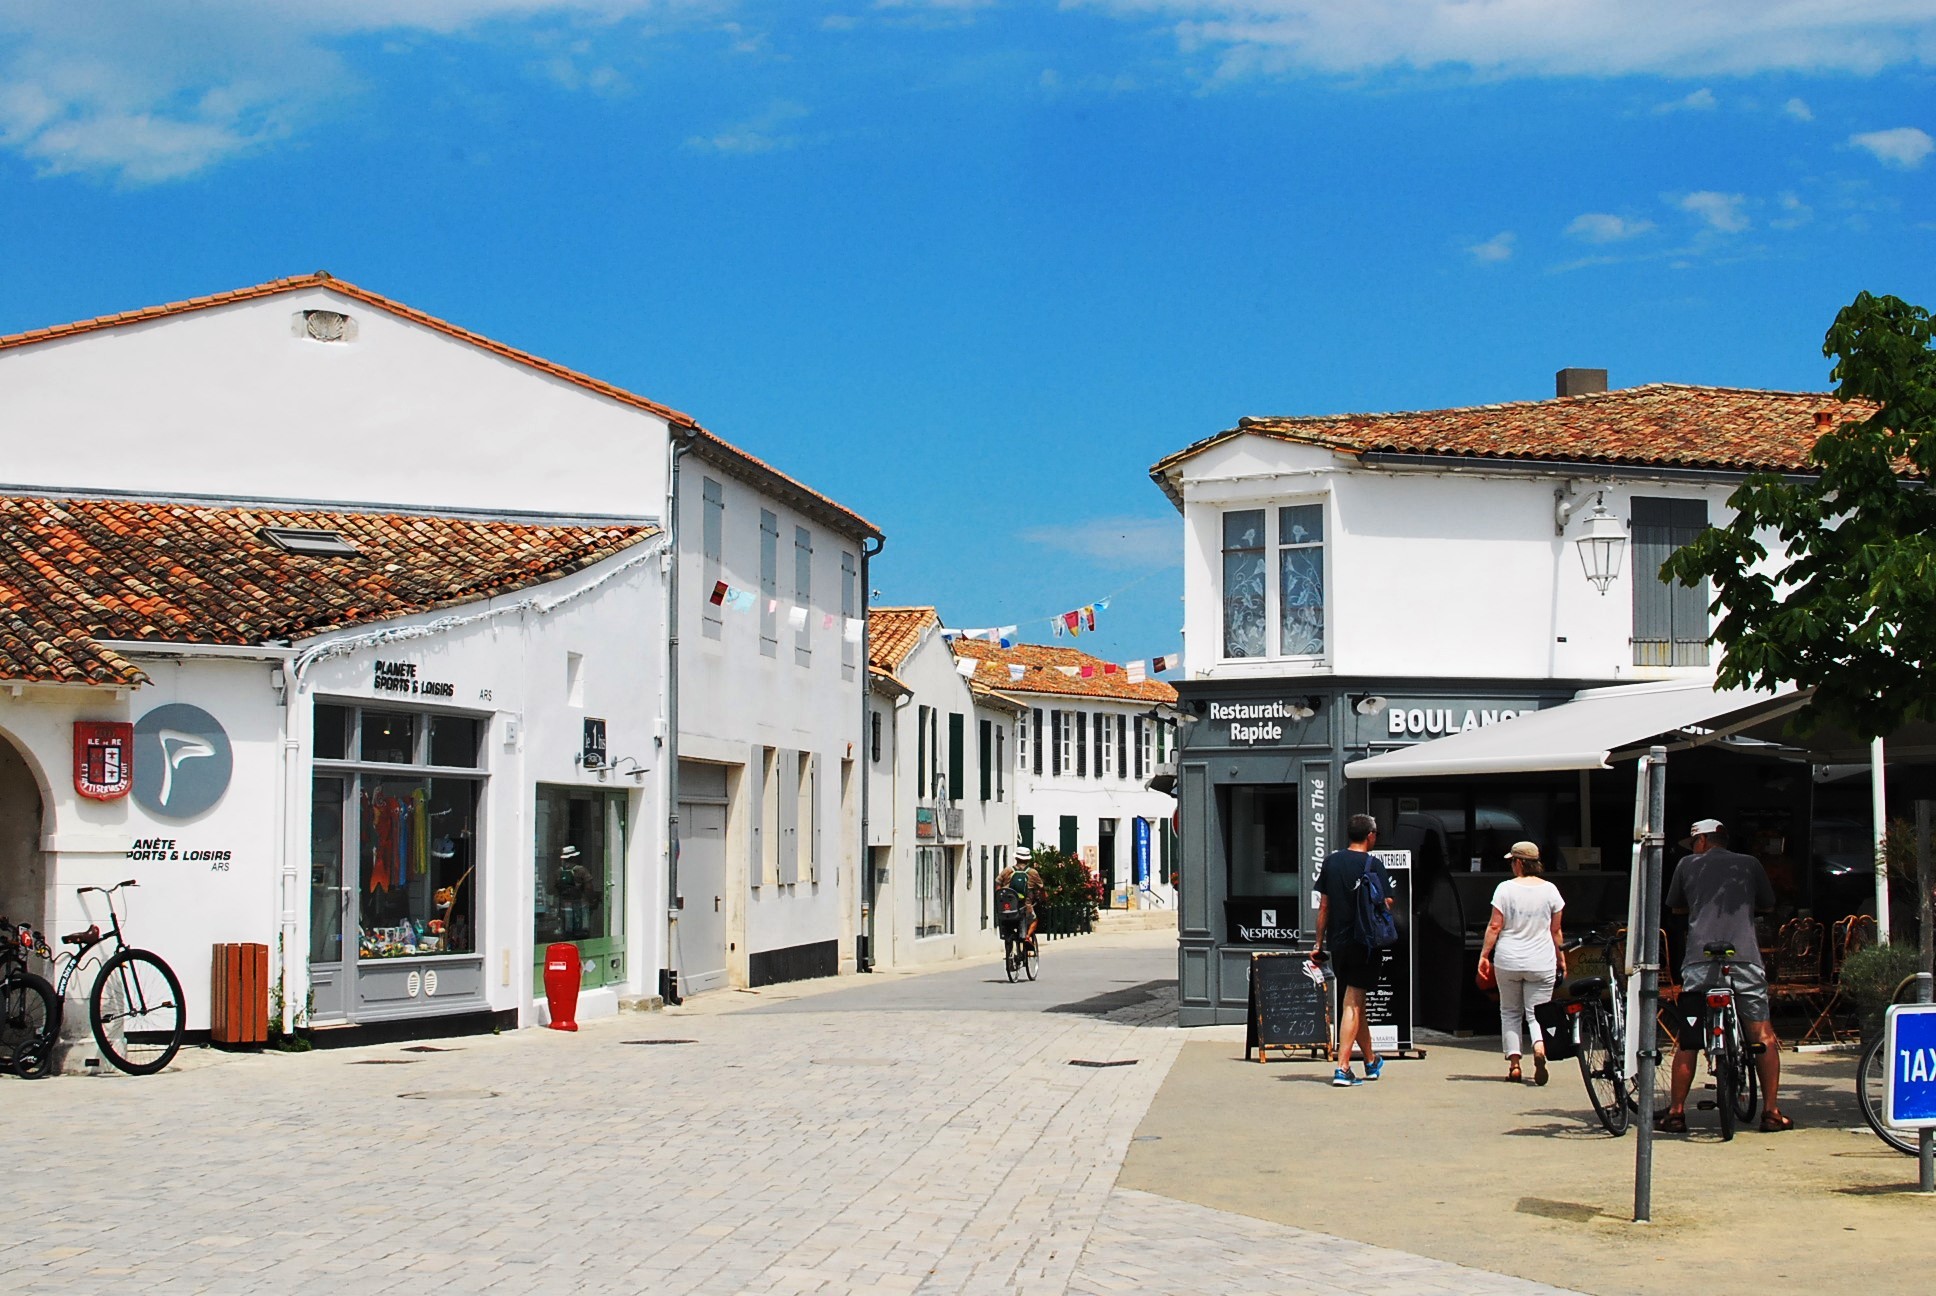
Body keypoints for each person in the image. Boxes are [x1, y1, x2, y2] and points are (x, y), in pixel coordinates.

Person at [1657, 818, 1791, 1133]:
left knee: (1688, 1038)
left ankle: (1676, 1112)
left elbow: (1675, 905)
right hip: (1743, 957)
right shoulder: (1751, 864)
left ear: (1702, 841)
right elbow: (1769, 904)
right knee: (1762, 1035)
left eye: (1695, 844)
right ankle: (1772, 1112)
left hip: (1699, 960)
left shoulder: (1686, 865)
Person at [1311, 813, 1394, 1087]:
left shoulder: (1331, 862)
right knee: (1353, 1005)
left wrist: (1318, 944)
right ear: (1370, 835)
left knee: (1357, 1004)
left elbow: (1324, 906)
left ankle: (1370, 1061)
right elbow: (1386, 903)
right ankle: (1343, 1068)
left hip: (1339, 942)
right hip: (1365, 943)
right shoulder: (1373, 863)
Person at [1477, 842, 1566, 1085]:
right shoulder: (1551, 890)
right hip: (1541, 959)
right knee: (1537, 1013)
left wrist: (1484, 955)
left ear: (1519, 862)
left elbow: (1495, 925)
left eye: (1512, 861)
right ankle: (1539, 1047)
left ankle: (1515, 1064)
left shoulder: (1504, 889)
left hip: (1509, 959)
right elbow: (1555, 930)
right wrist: (1561, 957)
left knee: (1510, 1011)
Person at [996, 854, 1045, 954]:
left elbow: (998, 884)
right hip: (1025, 906)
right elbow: (1041, 887)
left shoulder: (1007, 870)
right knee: (1034, 920)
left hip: (1008, 907)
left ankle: (1009, 956)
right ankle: (1027, 936)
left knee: (1007, 926)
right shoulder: (1032, 872)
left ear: (1016, 858)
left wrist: (999, 899)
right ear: (1028, 860)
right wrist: (1043, 898)